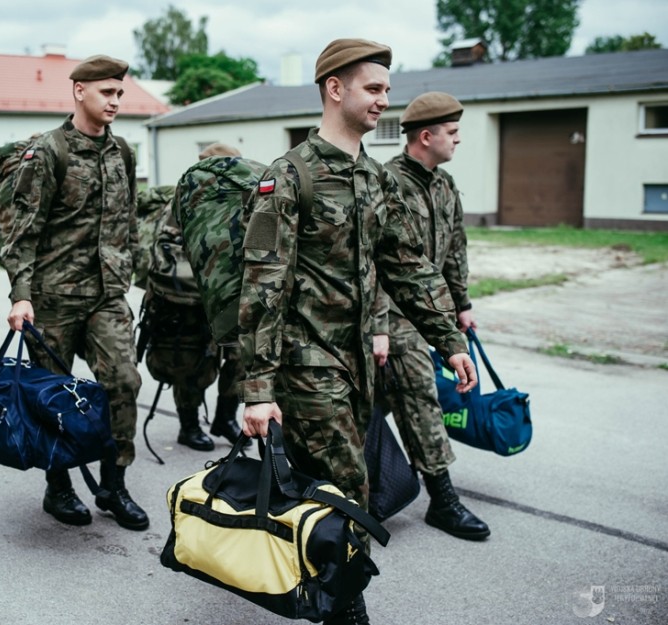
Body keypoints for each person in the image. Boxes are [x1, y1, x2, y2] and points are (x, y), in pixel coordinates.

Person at [237, 40, 478, 625]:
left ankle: (310, 584)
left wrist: (448, 338)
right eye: (374, 89)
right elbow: (263, 286)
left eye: (387, 91)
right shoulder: (289, 177)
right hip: (306, 367)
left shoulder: (375, 179)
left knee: (328, 488)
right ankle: (347, 610)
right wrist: (258, 388)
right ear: (335, 89)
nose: (384, 100)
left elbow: (409, 267)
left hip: (359, 365)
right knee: (349, 490)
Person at [2, 55, 149, 531]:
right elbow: (21, 231)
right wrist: (21, 295)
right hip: (53, 299)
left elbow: (126, 223)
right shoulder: (48, 152)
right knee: (54, 397)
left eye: (120, 93)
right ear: (79, 91)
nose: (115, 101)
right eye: (107, 92)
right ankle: (58, 486)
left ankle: (113, 484)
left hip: (105, 295)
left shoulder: (122, 151)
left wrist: (133, 272)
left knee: (124, 382)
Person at [373, 91, 490, 540]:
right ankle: (443, 500)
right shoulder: (387, 183)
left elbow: (455, 249)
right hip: (395, 315)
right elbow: (375, 261)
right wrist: (379, 326)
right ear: (427, 136)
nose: (458, 141)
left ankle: (370, 475)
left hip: (431, 309)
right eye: (453, 133)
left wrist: (461, 305)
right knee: (420, 393)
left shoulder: (443, 185)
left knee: (388, 397)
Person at [141, 142, 246, 451]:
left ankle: (226, 417)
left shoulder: (242, 197)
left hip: (229, 295)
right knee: (193, 359)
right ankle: (188, 425)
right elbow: (167, 249)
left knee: (242, 357)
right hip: (188, 297)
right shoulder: (185, 197)